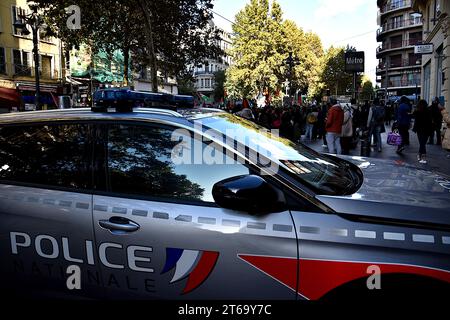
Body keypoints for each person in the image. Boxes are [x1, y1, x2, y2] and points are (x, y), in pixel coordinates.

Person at [412, 100, 433, 164]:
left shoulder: (417, 111)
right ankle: (422, 156)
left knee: (422, 143)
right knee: (423, 143)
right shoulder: (428, 111)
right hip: (427, 129)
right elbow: (430, 121)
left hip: (419, 129)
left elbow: (414, 117)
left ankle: (421, 155)